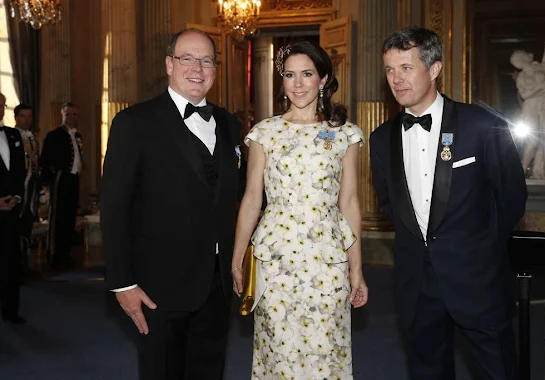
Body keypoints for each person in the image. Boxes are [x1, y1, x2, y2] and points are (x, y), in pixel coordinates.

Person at [370, 27, 527, 380]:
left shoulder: (482, 125)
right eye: (390, 70)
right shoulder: (381, 140)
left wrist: (480, 248)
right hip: (417, 283)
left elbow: (512, 198)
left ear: (435, 69)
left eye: (406, 68)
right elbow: (390, 205)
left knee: (498, 371)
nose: (396, 79)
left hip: (477, 276)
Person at [101, 28, 243, 380]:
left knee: (209, 372)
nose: (198, 68)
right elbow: (115, 209)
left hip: (217, 283)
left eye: (207, 60)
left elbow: (237, 198)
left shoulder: (229, 124)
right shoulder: (134, 123)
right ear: (169, 64)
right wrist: (122, 283)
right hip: (157, 286)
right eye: (187, 58)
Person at [231, 40, 369, 379]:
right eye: (289, 75)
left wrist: (357, 269)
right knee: (278, 350)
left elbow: (349, 202)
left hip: (328, 257)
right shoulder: (265, 132)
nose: (298, 83)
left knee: (326, 350)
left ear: (323, 80)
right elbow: (251, 199)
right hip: (275, 259)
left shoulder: (345, 135)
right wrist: (238, 259)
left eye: (307, 74)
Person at [39, 102, 83, 269]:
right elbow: (46, 160)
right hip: (59, 180)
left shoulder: (78, 135)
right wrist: (47, 184)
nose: (72, 118)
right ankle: (55, 257)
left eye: (74, 114)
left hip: (73, 180)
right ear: (62, 115)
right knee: (58, 219)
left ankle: (66, 255)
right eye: (68, 114)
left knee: (69, 218)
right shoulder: (54, 135)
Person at [510, 40, 545, 179]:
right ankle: (522, 168)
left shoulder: (540, 67)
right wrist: (541, 88)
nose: (526, 56)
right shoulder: (522, 77)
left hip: (543, 106)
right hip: (530, 108)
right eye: (521, 57)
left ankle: (542, 171)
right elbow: (525, 94)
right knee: (533, 140)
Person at [0, 93, 27, 324]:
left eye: (1, 105)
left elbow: (20, 171)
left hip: (10, 210)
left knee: (10, 261)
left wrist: (17, 197)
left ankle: (10, 310)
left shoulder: (12, 134)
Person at [14, 104, 41, 276]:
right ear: (16, 117)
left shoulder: (33, 137)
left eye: (30, 116)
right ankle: (16, 266)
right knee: (16, 228)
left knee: (27, 226)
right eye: (23, 116)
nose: (27, 120)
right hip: (18, 188)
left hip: (31, 188)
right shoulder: (12, 136)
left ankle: (25, 264)